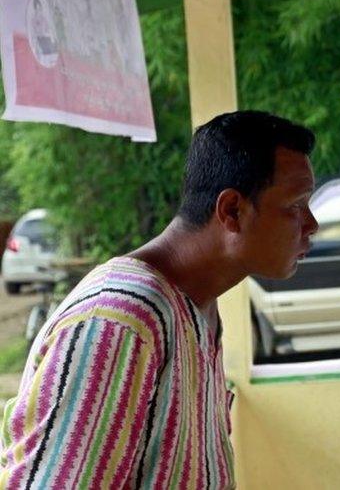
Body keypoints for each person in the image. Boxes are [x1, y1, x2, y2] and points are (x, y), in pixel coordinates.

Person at [0, 111, 319, 489]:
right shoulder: (121, 318)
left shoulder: (197, 308)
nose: (311, 224)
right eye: (295, 206)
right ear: (232, 210)